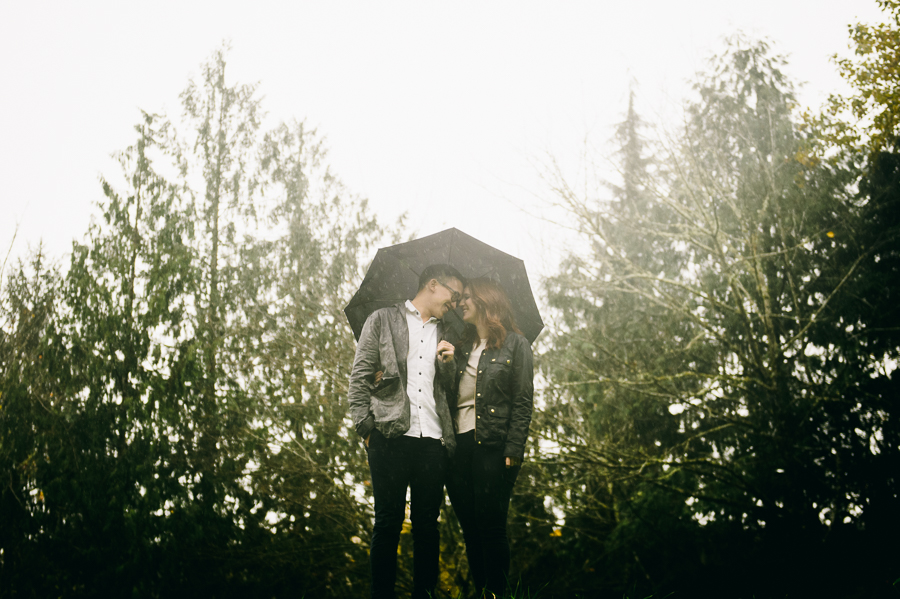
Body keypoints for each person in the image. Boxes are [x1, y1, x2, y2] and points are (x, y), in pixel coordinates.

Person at [348, 264, 465, 599]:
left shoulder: (448, 332)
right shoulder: (383, 319)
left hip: (432, 439)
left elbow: (448, 390)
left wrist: (448, 364)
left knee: (428, 526)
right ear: (432, 284)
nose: (454, 303)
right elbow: (360, 377)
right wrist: (365, 428)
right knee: (387, 523)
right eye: (453, 295)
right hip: (388, 436)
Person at [446, 278, 534, 599]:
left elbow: (523, 401)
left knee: (491, 527)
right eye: (460, 298)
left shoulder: (515, 345)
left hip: (493, 447)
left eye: (467, 297)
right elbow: (444, 394)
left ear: (486, 301)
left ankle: (496, 594)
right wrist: (445, 363)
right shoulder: (460, 346)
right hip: (458, 448)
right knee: (470, 530)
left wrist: (515, 447)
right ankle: (483, 592)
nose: (461, 303)